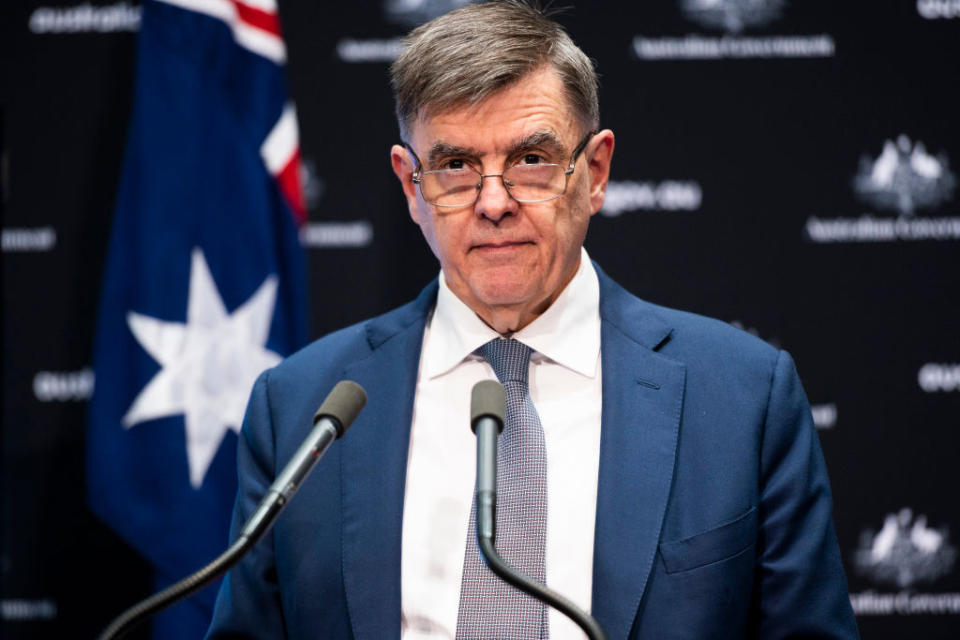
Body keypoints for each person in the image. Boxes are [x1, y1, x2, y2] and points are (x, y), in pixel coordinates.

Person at [207, 2, 860, 639]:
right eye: (457, 165)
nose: (494, 203)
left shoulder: (742, 400)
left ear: (595, 172)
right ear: (412, 186)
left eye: (531, 159)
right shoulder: (300, 410)